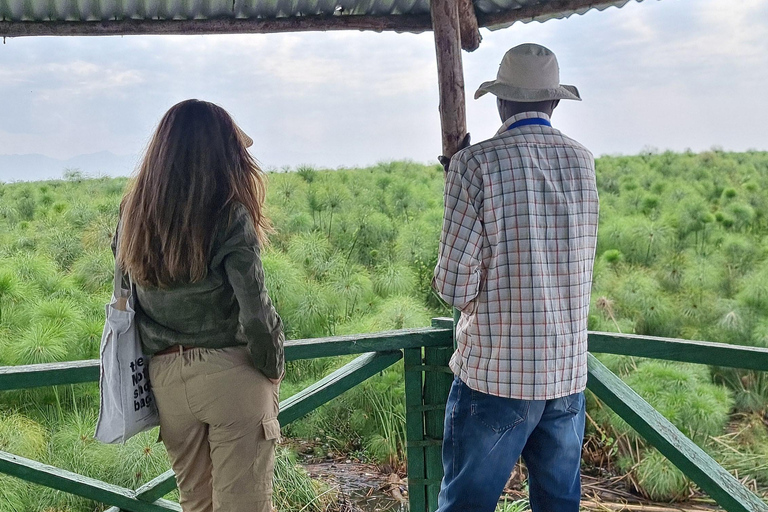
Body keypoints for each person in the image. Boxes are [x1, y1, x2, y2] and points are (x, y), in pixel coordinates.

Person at [433, 43, 599, 512]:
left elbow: (453, 286)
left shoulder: (474, 164)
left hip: (495, 376)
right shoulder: (582, 161)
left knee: (466, 503)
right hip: (565, 373)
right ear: (555, 101)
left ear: (501, 102)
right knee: (558, 503)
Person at [113, 99, 285, 512]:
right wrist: (272, 367)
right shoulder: (229, 213)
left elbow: (124, 301)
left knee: (196, 504)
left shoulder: (132, 215)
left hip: (167, 381)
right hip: (231, 375)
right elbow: (256, 311)